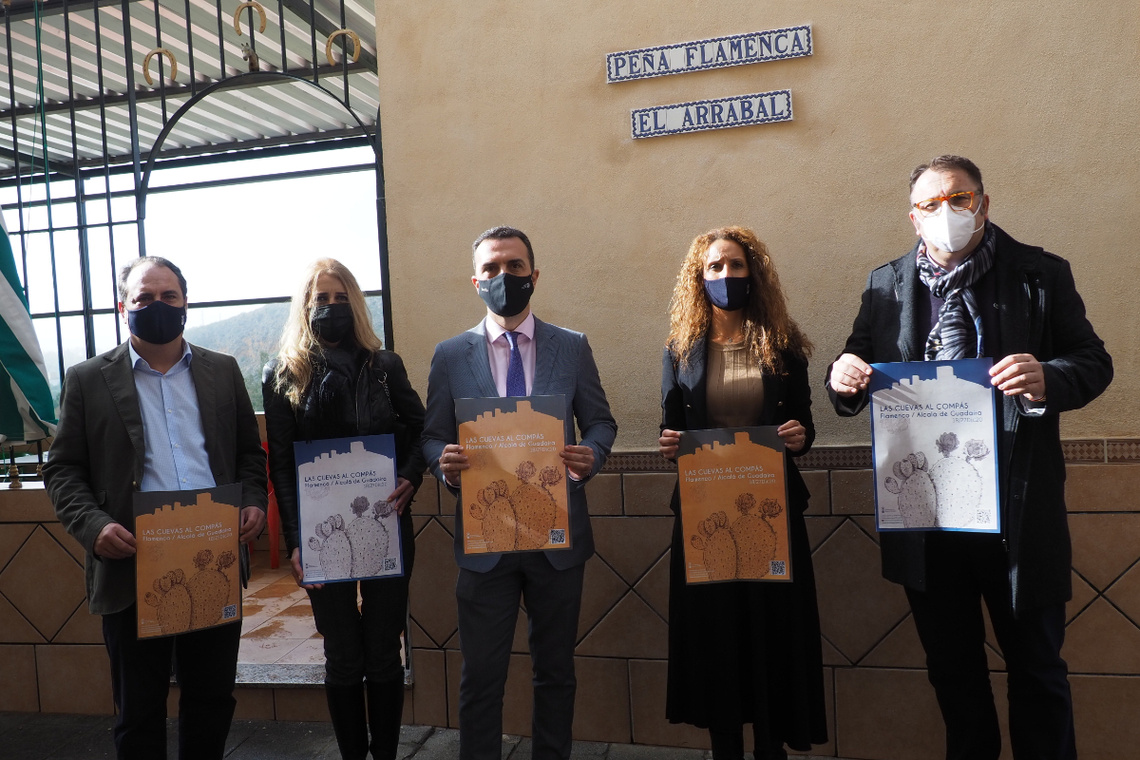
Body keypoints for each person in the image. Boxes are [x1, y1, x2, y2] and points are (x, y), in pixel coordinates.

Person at [826, 155, 1113, 760]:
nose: (946, 213)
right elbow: (854, 367)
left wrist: (1047, 375)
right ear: (913, 218)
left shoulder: (1039, 273)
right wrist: (842, 374)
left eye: (959, 199)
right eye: (931, 205)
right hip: (926, 520)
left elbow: (1092, 361)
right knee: (954, 675)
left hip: (1016, 513)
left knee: (1036, 670)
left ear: (983, 202)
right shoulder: (885, 285)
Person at [43, 256, 268, 760]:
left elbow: (249, 455)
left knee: (210, 700)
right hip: (133, 567)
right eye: (144, 298)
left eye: (168, 296)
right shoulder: (86, 379)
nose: (157, 306)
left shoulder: (223, 371)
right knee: (139, 711)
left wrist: (253, 500)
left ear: (185, 302)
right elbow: (61, 470)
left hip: (213, 561)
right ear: (124, 306)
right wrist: (93, 526)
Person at [422, 225, 617, 760]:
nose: (503, 277)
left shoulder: (572, 347)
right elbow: (431, 435)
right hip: (486, 545)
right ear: (475, 281)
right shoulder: (450, 354)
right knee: (481, 677)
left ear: (534, 274)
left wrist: (590, 457)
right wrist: (444, 465)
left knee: (556, 673)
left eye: (514, 266)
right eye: (491, 269)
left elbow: (601, 424)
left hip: (558, 539)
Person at [658, 227, 827, 760]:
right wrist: (669, 444)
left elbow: (804, 427)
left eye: (734, 265)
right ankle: (724, 748)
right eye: (714, 268)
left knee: (773, 636)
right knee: (715, 641)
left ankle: (770, 750)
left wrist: (799, 436)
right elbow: (670, 427)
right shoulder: (679, 349)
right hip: (704, 514)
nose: (725, 276)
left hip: (770, 513)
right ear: (698, 277)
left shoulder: (781, 343)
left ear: (753, 272)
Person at [262, 259, 426, 760]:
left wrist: (410, 477)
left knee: (382, 651)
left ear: (354, 303)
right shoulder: (282, 374)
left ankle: (387, 755)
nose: (330, 308)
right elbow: (283, 466)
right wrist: (294, 539)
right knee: (341, 654)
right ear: (304, 307)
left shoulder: (385, 366)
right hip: (321, 535)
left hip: (386, 525)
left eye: (339, 298)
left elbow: (422, 429)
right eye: (320, 299)